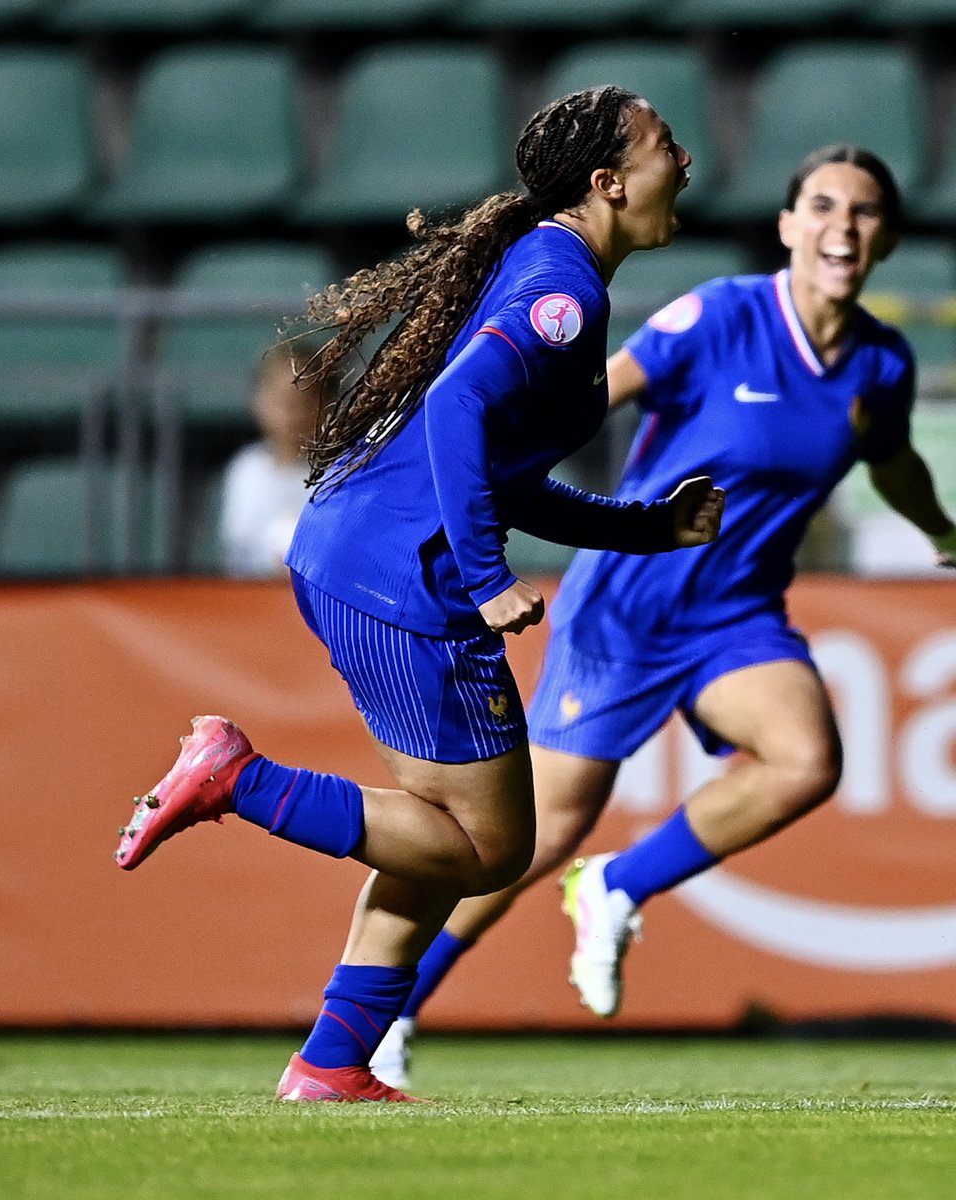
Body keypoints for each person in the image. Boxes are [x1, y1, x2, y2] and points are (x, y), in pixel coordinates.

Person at [113, 86, 723, 1103]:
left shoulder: (551, 267)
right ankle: (236, 779)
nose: (687, 160)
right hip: (409, 580)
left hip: (356, 556)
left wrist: (641, 526)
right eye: (668, 146)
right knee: (490, 848)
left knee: (438, 841)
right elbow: (455, 408)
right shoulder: (561, 291)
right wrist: (486, 579)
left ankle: (332, 1062)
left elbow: (503, 470)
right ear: (610, 182)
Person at [368, 143, 956, 1090]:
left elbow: (891, 464)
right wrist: (466, 472)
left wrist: (940, 528)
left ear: (885, 238)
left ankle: (618, 886)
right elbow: (591, 391)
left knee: (805, 761)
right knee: (538, 833)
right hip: (628, 605)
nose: (842, 226)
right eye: (823, 206)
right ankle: (389, 1009)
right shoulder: (724, 317)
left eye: (864, 212)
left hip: (737, 613)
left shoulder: (880, 365)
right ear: (789, 227)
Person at [218, 342, 326, 578]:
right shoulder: (246, 470)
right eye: (282, 400)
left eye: (304, 401)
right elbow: (238, 552)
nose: (291, 413)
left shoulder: (337, 476)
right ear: (260, 401)